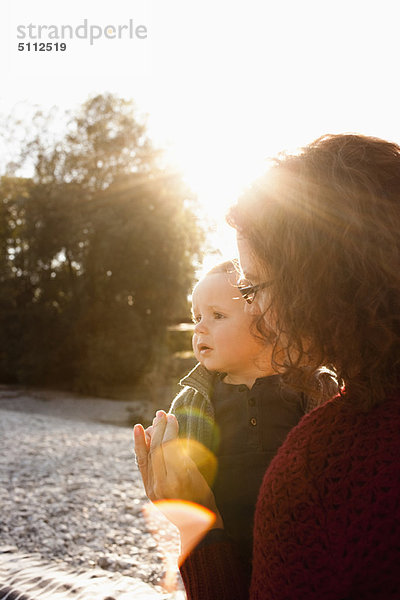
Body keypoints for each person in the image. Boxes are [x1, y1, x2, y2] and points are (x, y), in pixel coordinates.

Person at [134, 133, 400, 599]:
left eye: (254, 288)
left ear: (315, 281)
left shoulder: (320, 463)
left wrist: (195, 520)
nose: (252, 313)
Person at [167, 260, 317, 585]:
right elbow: (182, 483)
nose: (199, 328)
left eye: (217, 316)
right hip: (224, 549)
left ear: (266, 320)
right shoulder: (195, 402)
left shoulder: (308, 388)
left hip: (301, 554)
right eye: (197, 317)